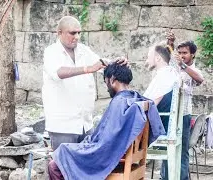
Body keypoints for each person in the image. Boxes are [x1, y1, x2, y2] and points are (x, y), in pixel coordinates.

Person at [48, 63, 165, 180]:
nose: (107, 87)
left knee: (55, 164)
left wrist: (80, 146)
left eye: (106, 82)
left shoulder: (119, 103)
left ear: (112, 79)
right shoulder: (135, 98)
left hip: (108, 159)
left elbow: (104, 144)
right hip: (118, 155)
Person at [42, 16, 127, 150]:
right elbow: (58, 73)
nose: (76, 37)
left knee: (85, 167)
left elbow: (102, 64)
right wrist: (88, 69)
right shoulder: (51, 52)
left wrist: (117, 62)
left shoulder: (83, 50)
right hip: (63, 125)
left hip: (85, 123)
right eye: (72, 33)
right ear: (59, 33)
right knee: (64, 168)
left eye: (79, 33)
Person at [166, 35, 204, 180]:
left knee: (181, 150)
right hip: (170, 113)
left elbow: (200, 79)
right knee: (168, 147)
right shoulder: (175, 65)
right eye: (180, 53)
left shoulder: (192, 69)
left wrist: (182, 65)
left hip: (184, 114)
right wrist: (169, 43)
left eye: (185, 53)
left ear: (192, 54)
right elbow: (167, 59)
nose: (182, 56)